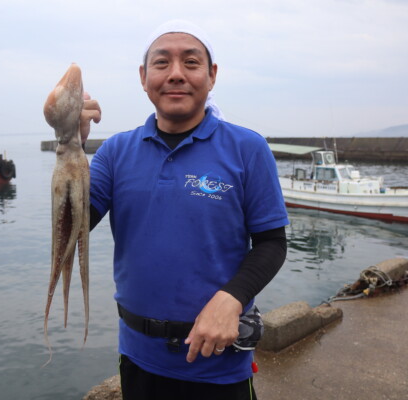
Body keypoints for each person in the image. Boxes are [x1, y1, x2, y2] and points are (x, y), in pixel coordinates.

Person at [80, 20, 289, 400]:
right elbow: (73, 227)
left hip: (218, 362)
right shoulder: (114, 152)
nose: (176, 74)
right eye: (162, 63)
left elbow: (272, 242)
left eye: (191, 62)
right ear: (144, 77)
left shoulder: (247, 148)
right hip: (139, 357)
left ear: (211, 76)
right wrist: (69, 149)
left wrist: (232, 298)